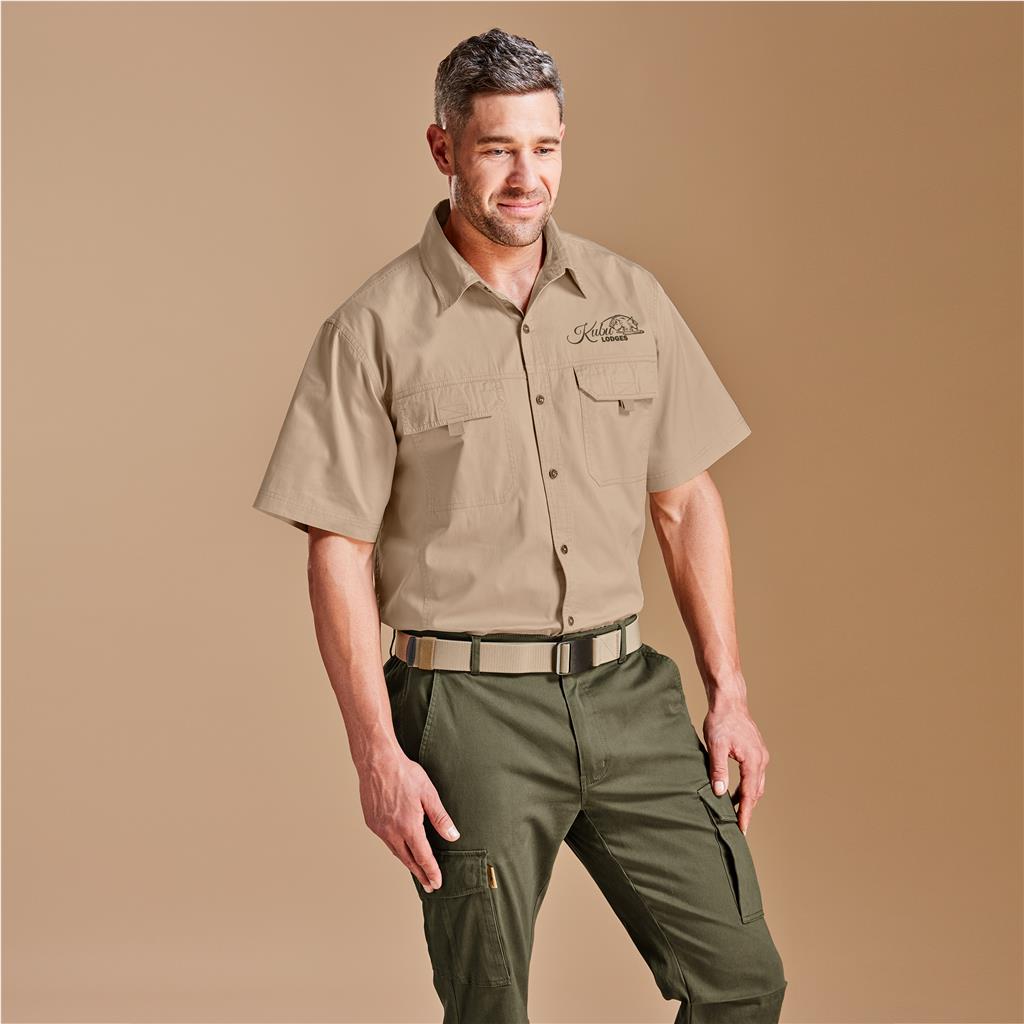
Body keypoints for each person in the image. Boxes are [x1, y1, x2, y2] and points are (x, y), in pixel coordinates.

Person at [252, 26, 787, 1024]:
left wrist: (732, 694)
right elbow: (339, 550)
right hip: (467, 714)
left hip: (628, 695)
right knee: (488, 1006)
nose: (525, 178)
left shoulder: (631, 299)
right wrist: (375, 752)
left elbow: (685, 501)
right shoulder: (373, 329)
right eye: (497, 148)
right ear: (443, 148)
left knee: (744, 982)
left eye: (544, 147)